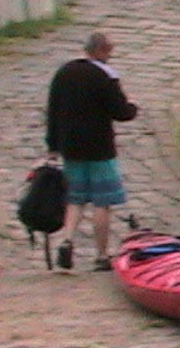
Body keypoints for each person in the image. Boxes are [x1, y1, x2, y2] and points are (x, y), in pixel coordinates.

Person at [45, 31, 139, 271]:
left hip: (70, 147)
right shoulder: (104, 75)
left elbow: (52, 110)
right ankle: (101, 255)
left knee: (75, 199)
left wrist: (52, 145)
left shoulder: (64, 72)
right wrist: (132, 107)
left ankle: (66, 241)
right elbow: (121, 112)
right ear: (101, 51)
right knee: (102, 202)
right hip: (99, 149)